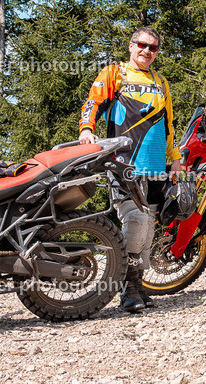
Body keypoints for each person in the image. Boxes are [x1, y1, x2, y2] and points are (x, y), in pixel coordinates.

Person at [79, 26, 183, 313]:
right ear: (131, 45)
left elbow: (169, 123)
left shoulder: (161, 81)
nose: (147, 51)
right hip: (123, 163)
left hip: (155, 165)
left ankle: (136, 285)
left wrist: (175, 158)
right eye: (142, 45)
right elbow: (93, 103)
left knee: (149, 226)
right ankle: (126, 287)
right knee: (135, 222)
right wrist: (87, 129)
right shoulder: (115, 73)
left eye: (153, 48)